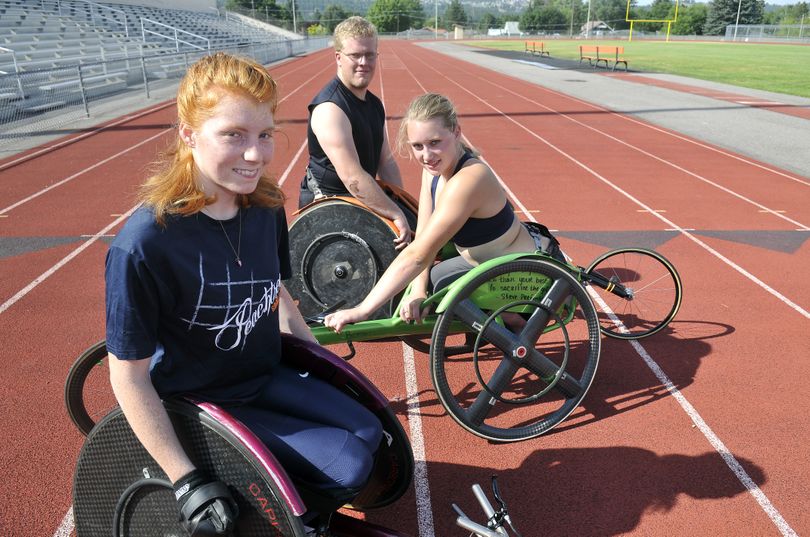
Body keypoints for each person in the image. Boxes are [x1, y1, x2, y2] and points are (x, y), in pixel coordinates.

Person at [105, 52, 382, 536]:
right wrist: (186, 479)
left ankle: (287, 498)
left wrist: (321, 366)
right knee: (349, 465)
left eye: (265, 135)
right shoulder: (146, 243)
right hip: (199, 400)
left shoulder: (266, 207)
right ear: (189, 135)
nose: (256, 154)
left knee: (370, 432)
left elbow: (277, 293)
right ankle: (271, 517)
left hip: (261, 374)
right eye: (233, 134)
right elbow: (127, 377)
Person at [324, 93, 562, 332]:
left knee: (438, 289)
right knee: (430, 282)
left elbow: (418, 255)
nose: (426, 156)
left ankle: (514, 321)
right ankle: (492, 317)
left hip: (524, 277)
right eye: (417, 146)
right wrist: (418, 288)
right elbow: (425, 236)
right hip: (485, 266)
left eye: (435, 142)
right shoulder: (433, 171)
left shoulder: (469, 179)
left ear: (456, 132)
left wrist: (363, 310)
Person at [300, 16, 411, 250]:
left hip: (358, 203)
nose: (364, 62)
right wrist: (395, 213)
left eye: (370, 55)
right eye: (356, 55)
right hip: (330, 209)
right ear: (338, 57)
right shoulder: (330, 109)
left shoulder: (374, 104)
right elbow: (353, 178)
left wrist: (402, 204)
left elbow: (386, 161)